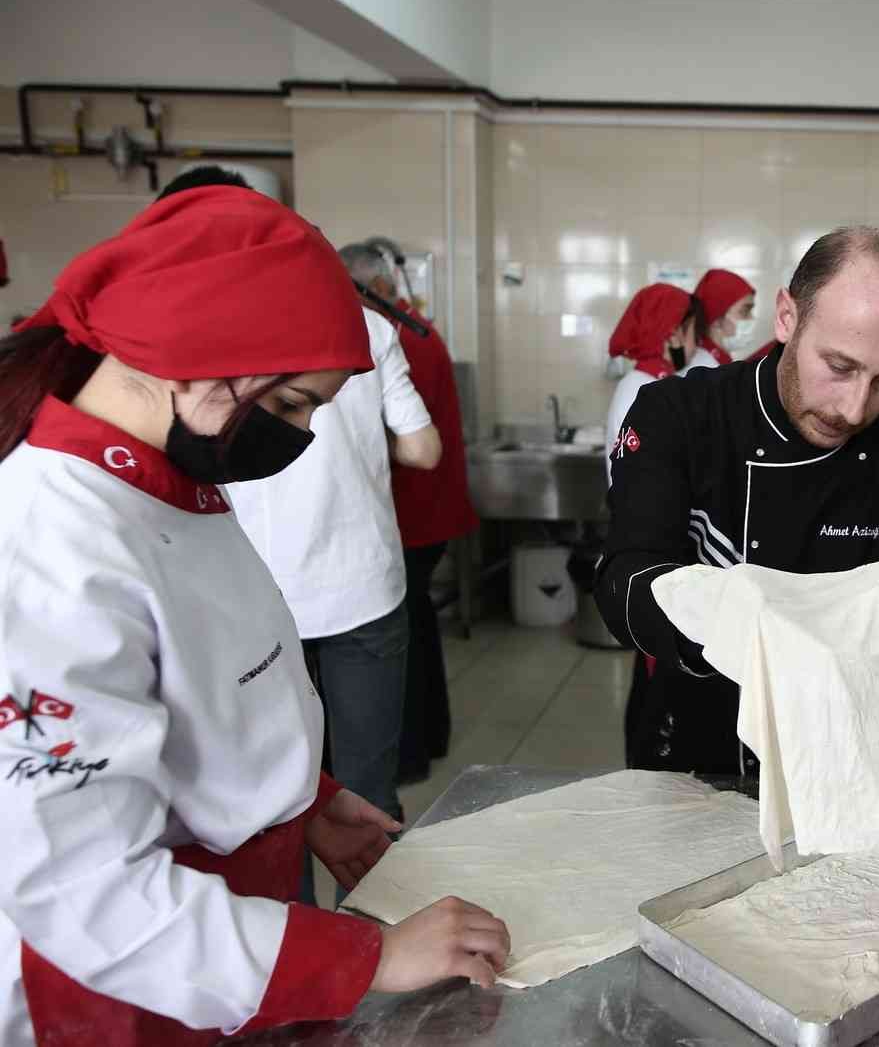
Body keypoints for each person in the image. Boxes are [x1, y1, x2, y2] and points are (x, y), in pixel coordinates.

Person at [0, 186, 508, 1046]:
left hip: (225, 950)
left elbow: (203, 693)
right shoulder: (47, 548)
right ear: (200, 356)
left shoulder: (171, 486)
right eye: (286, 407)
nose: (299, 438)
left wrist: (303, 800)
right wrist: (367, 958)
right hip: (129, 991)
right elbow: (81, 891)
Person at [597, 226, 879, 775]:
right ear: (787, 318)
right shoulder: (681, 413)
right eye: (839, 367)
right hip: (694, 732)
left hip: (853, 745)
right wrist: (738, 623)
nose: (853, 408)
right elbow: (625, 578)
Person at [229, 265, 442, 826]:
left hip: (257, 594)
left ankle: (294, 914)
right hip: (361, 582)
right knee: (369, 795)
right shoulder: (369, 327)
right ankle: (374, 916)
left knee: (277, 797)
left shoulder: (229, 325)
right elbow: (423, 450)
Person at [341, 242, 477, 785]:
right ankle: (430, 735)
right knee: (420, 628)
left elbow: (408, 440)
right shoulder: (417, 329)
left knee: (407, 637)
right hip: (426, 509)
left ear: (368, 288)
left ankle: (411, 750)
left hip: (412, 511)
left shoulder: (396, 338)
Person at [603, 283, 705, 486]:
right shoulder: (643, 390)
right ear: (674, 335)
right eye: (696, 334)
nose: (697, 346)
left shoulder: (649, 383)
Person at [690, 268, 756, 368]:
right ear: (716, 320)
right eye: (744, 311)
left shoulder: (719, 361)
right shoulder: (705, 368)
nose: (751, 318)